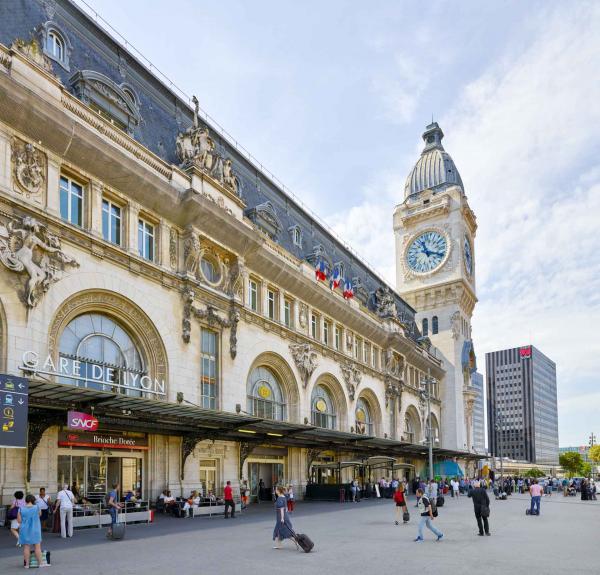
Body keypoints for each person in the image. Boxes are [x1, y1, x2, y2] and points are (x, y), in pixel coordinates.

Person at [18, 494, 47, 568]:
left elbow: (19, 520)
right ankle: (40, 563)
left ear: (26, 501)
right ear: (33, 500)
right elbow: (39, 515)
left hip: (24, 530)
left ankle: (27, 564)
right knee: (37, 547)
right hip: (35, 529)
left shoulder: (21, 509)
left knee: (26, 547)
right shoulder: (37, 507)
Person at [272, 485, 295, 549]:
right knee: (279, 531)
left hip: (281, 517)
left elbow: (282, 509)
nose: (275, 491)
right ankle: (279, 545)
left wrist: (282, 518)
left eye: (276, 490)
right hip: (285, 516)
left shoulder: (280, 498)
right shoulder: (283, 497)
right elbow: (286, 507)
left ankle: (296, 541)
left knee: (283, 531)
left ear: (279, 491)